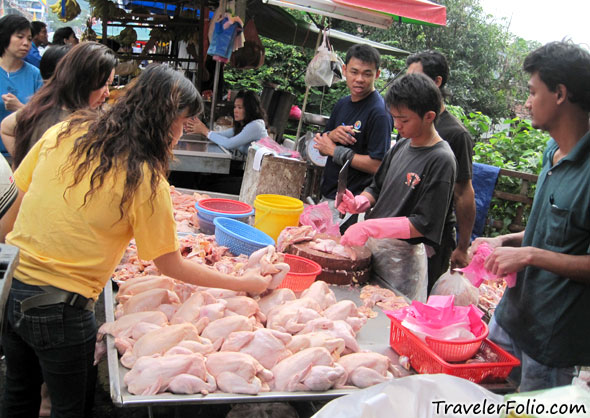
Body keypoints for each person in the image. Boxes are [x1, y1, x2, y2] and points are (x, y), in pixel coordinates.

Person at [0, 64, 270, 417]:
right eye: (182, 123)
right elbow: (170, 264)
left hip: (15, 288)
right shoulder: (143, 176)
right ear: (164, 119)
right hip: (63, 310)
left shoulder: (66, 131)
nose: (180, 134)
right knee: (72, 409)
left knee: (18, 397)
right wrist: (242, 283)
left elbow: (11, 211)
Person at [472, 41, 590, 391]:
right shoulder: (552, 151)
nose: (526, 102)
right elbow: (556, 231)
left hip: (550, 342)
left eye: (532, 92)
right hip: (510, 318)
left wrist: (529, 255)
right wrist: (506, 241)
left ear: (560, 94)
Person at [337, 73, 456, 297]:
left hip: (402, 262)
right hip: (375, 250)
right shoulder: (402, 145)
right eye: (394, 117)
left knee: (389, 318)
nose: (397, 125)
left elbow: (423, 224)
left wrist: (369, 227)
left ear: (429, 116)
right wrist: (360, 201)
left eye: (404, 119)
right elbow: (377, 187)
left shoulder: (441, 159)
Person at [406, 51, 476, 291]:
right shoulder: (409, 121)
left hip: (434, 238)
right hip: (403, 231)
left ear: (436, 82)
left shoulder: (456, 134)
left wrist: (463, 247)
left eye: (416, 78)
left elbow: (464, 193)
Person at [313, 43, 392, 230]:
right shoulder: (342, 104)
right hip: (329, 197)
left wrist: (336, 151)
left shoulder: (379, 112)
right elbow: (322, 146)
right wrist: (331, 136)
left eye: (367, 73)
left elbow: (378, 165)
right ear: (345, 70)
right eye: (354, 72)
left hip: (353, 206)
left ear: (377, 75)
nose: (359, 79)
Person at [1, 42, 116, 168]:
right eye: (104, 84)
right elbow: (6, 128)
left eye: (109, 85)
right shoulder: (51, 116)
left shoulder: (45, 105)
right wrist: (25, 165)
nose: (107, 93)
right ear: (84, 81)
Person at [0, 15, 43, 158]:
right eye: (20, 37)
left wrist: (19, 107)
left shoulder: (34, 75)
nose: (26, 43)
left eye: (29, 39)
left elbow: (43, 118)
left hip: (21, 155)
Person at [185, 90, 268, 155]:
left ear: (250, 109)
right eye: (235, 107)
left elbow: (229, 143)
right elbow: (220, 135)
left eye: (240, 107)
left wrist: (205, 131)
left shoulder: (256, 126)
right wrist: (200, 128)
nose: (235, 110)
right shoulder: (242, 126)